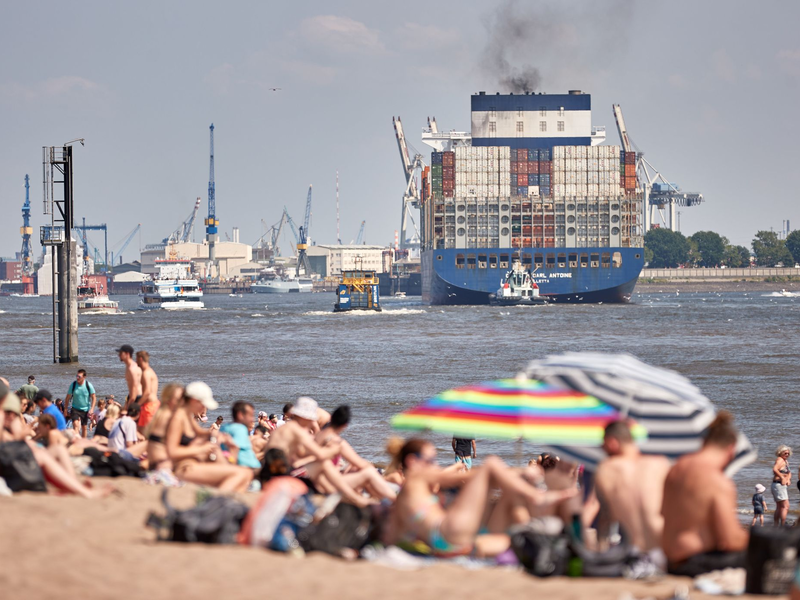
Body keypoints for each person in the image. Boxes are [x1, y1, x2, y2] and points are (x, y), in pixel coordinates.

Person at [387, 439, 576, 557]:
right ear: (412, 461)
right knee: (491, 463)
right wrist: (521, 471)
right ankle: (536, 497)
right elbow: (462, 477)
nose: (434, 465)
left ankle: (534, 530)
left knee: (509, 527)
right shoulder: (417, 476)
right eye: (430, 460)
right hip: (447, 531)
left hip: (445, 543)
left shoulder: (406, 495)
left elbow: (392, 535)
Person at [662, 412, 749, 577]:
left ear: (703, 443)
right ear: (731, 449)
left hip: (670, 560)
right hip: (696, 563)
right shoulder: (718, 481)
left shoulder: (676, 469)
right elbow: (731, 540)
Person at [267, 397, 376, 507]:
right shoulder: (297, 430)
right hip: (281, 474)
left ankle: (338, 494)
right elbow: (319, 454)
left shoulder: (285, 428)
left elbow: (299, 456)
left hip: (271, 471)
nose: (311, 421)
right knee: (324, 463)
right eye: (310, 418)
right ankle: (353, 498)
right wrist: (336, 449)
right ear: (303, 417)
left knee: (322, 464)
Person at [594, 420, 671, 558]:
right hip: (666, 552)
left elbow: (607, 517)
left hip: (634, 553)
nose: (602, 448)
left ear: (612, 443)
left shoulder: (607, 468)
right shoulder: (661, 464)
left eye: (603, 444)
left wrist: (599, 550)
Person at [165, 381, 252, 492]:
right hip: (184, 467)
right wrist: (202, 448)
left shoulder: (186, 416)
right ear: (193, 400)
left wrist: (220, 435)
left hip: (192, 465)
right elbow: (172, 452)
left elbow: (201, 432)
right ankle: (216, 501)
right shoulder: (178, 418)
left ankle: (222, 502)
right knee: (241, 473)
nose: (204, 408)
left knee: (245, 476)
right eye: (203, 404)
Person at [312, 405, 398, 501]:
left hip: (318, 479)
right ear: (345, 425)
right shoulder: (337, 442)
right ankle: (394, 499)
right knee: (368, 472)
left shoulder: (317, 435)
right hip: (328, 484)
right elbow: (359, 462)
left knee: (354, 467)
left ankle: (373, 498)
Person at [144, 382, 184, 472]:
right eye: (178, 399)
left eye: (184, 399)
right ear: (168, 400)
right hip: (163, 467)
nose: (182, 402)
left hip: (155, 464)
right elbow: (173, 451)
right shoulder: (171, 418)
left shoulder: (161, 414)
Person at [220, 401, 260, 470]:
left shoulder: (224, 427)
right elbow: (235, 448)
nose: (253, 419)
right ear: (240, 415)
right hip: (250, 469)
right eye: (251, 415)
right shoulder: (240, 428)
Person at [65, 369, 96, 438]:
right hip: (75, 409)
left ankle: (83, 442)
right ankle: (76, 441)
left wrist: (92, 408)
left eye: (79, 376)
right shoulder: (73, 385)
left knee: (84, 427)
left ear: (84, 377)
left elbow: (94, 398)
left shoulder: (88, 385)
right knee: (76, 425)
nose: (77, 378)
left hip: (85, 409)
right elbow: (67, 398)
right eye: (77, 376)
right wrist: (65, 409)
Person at [136, 350, 160, 430]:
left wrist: (137, 405)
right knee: (139, 431)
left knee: (146, 434)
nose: (136, 362)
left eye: (136, 359)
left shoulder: (146, 373)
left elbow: (147, 393)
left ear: (141, 359)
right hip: (150, 405)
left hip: (150, 407)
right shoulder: (150, 371)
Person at [117, 344, 142, 411]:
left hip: (137, 397)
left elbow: (135, 387)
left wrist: (129, 404)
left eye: (121, 353)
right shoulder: (128, 367)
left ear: (127, 354)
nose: (119, 355)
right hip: (133, 397)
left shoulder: (132, 368)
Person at [772, 445, 792, 526]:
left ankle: (777, 525)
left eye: (788, 453)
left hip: (780, 485)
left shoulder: (785, 461)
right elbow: (775, 469)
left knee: (780, 507)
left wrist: (788, 479)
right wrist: (782, 477)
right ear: (780, 453)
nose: (787, 454)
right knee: (785, 506)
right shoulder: (780, 460)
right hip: (778, 485)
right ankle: (782, 525)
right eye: (785, 453)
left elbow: (789, 473)